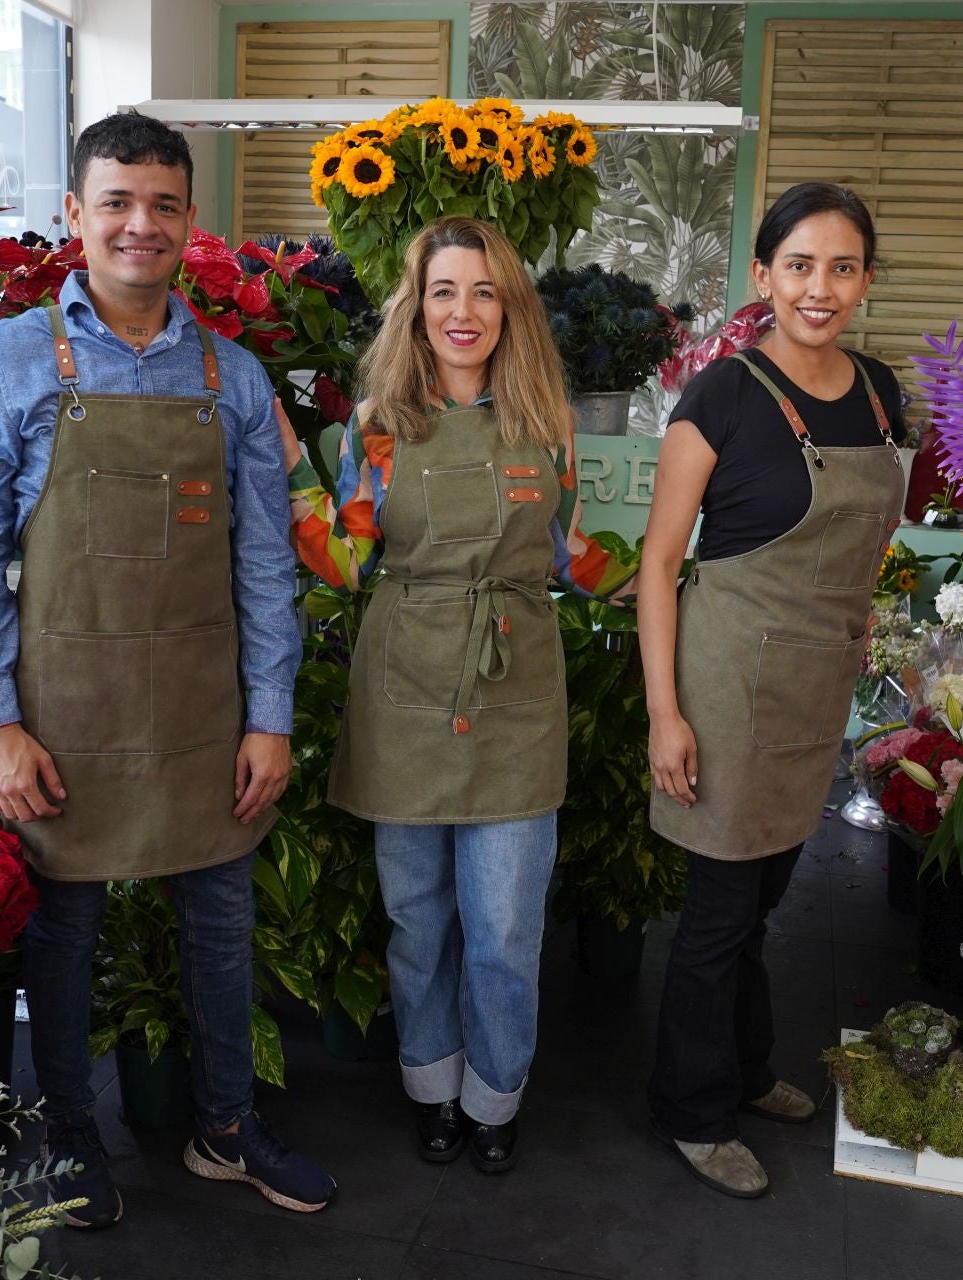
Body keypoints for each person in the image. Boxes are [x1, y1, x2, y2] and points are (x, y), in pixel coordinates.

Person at [0, 111, 334, 1227]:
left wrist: (271, 717)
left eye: (162, 204)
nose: (138, 224)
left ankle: (224, 1124)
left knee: (220, 913)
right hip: (60, 710)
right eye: (115, 200)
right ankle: (68, 1129)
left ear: (189, 221)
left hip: (205, 706)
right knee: (64, 929)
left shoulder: (237, 378)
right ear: (75, 213)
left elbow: (266, 569)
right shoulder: (5, 360)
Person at [279, 216, 631, 1174]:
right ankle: (432, 1087)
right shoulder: (378, 430)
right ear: (417, 306)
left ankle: (495, 1098)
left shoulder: (545, 428)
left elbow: (571, 555)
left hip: (516, 691)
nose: (463, 311)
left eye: (483, 292)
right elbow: (348, 560)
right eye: (444, 292)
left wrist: (667, 566)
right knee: (419, 918)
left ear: (509, 307)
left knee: (508, 928)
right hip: (403, 687)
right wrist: (287, 472)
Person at [637, 182, 906, 1198]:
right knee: (717, 913)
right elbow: (660, 562)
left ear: (866, 279)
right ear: (763, 277)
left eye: (842, 266)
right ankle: (690, 1107)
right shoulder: (722, 396)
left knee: (765, 905)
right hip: (726, 687)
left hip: (814, 681)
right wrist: (667, 712)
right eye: (799, 265)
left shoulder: (882, 392)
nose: (820, 287)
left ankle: (745, 1069)